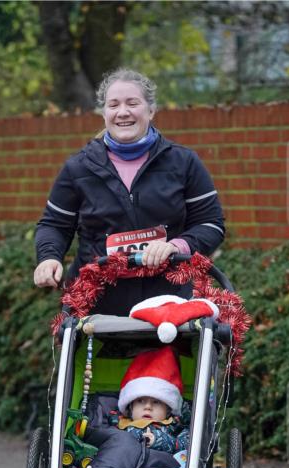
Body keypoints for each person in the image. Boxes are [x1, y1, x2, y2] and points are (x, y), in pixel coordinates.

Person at [34, 67, 225, 315]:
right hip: (96, 308)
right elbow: (54, 225)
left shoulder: (184, 162)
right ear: (103, 113)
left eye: (132, 103)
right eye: (113, 105)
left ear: (151, 110)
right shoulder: (78, 168)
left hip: (170, 305)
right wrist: (49, 257)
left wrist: (178, 246)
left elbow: (212, 224)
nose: (123, 112)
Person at [63, 345, 190, 468]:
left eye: (156, 402)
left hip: (157, 466)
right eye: (141, 401)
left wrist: (161, 440)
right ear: (130, 407)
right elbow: (98, 438)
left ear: (168, 410)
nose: (148, 407)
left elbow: (188, 444)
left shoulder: (175, 426)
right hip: (121, 459)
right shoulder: (118, 423)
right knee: (119, 446)